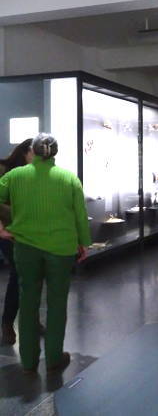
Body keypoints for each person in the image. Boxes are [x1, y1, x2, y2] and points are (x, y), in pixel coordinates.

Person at [0, 133, 91, 374]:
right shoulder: (69, 178)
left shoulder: (14, 176)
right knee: (57, 303)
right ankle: (53, 358)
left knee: (28, 302)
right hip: (61, 249)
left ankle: (28, 360)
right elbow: (80, 215)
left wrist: (1, 228)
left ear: (33, 151)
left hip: (26, 248)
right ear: (55, 153)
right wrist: (84, 243)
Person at [0, 139, 34, 345]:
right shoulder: (3, 169)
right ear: (26, 152)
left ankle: (30, 320)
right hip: (7, 232)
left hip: (27, 232)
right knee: (19, 273)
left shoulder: (32, 173)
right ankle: (7, 324)